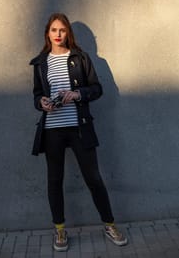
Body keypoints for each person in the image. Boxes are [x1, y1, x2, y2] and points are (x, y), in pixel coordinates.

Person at [29, 13, 128, 251]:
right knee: (55, 180)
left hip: (79, 127)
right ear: (48, 33)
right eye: (54, 30)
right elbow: (35, 95)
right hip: (52, 129)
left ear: (68, 33)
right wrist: (41, 101)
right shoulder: (41, 63)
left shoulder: (80, 58)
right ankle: (60, 230)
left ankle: (109, 224)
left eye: (62, 30)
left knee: (93, 178)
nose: (58, 34)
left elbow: (97, 88)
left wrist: (78, 94)